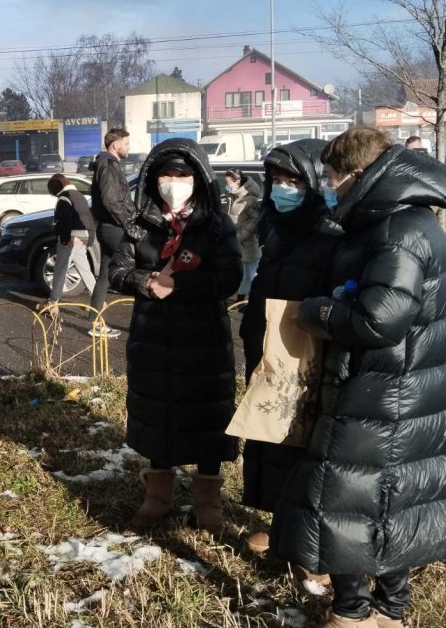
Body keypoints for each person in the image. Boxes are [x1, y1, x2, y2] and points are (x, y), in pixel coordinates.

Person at [271, 126, 446, 628]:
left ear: (359, 175)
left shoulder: (397, 230)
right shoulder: (397, 220)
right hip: (397, 388)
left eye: (333, 176)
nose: (328, 186)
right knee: (386, 502)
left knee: (342, 500)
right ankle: (389, 609)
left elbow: (380, 319)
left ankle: (353, 612)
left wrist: (316, 311)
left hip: (382, 392)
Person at [109, 138, 242, 535]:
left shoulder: (217, 225)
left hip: (204, 339)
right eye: (166, 174)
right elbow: (117, 272)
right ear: (152, 179)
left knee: (208, 417)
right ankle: (158, 496)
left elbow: (229, 278)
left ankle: (208, 502)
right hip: (153, 338)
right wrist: (144, 281)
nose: (174, 182)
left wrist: (180, 286)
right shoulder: (139, 224)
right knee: (158, 414)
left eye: (182, 175)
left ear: (198, 179)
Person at [238, 140, 340, 574]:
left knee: (311, 449)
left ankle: (314, 546)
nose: (282, 189)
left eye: (293, 181)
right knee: (274, 437)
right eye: (276, 180)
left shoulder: (332, 235)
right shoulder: (277, 228)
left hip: (311, 352)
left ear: (314, 183)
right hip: (273, 349)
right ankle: (280, 522)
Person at [89, 127, 144, 339]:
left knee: (105, 276)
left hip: (108, 227)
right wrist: (129, 223)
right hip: (114, 228)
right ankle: (144, 323)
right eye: (127, 143)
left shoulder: (107, 163)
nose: (129, 147)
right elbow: (111, 200)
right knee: (140, 267)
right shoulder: (109, 165)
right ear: (116, 145)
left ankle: (95, 323)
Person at [40, 173, 97, 315]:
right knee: (85, 270)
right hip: (83, 237)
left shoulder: (64, 198)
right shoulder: (79, 196)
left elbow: (64, 222)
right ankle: (98, 300)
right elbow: (88, 218)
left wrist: (64, 239)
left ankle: (53, 303)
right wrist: (90, 238)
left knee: (60, 270)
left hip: (71, 238)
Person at [222, 169, 261, 302]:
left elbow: (255, 221)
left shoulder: (249, 199)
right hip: (234, 243)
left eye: (229, 183)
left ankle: (243, 302)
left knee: (247, 276)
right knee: (238, 275)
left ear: (237, 182)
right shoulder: (233, 196)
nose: (227, 186)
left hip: (246, 245)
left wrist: (239, 236)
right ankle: (238, 301)